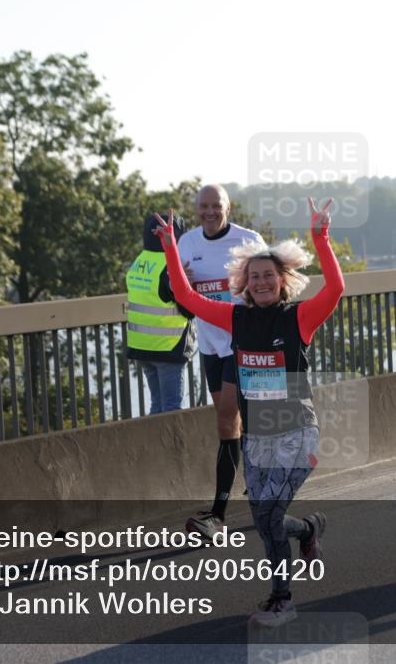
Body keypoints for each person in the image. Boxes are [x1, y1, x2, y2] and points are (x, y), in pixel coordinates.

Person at [155, 197, 344, 627]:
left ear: (282, 281)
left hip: (296, 432)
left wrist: (321, 237)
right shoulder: (234, 319)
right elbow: (184, 296)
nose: (261, 282)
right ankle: (308, 529)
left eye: (268, 276)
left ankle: (282, 600)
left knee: (270, 515)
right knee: (264, 518)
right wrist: (170, 247)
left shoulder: (299, 318)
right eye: (254, 276)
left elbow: (335, 290)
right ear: (243, 282)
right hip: (257, 436)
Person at [178, 184, 266, 537]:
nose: (210, 212)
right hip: (210, 344)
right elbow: (180, 300)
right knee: (231, 423)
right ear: (196, 209)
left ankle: (217, 514)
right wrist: (176, 285)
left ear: (228, 208)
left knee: (229, 415)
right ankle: (261, 490)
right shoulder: (187, 243)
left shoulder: (248, 240)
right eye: (204, 206)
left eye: (217, 206)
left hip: (242, 341)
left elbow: (270, 286)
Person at [125, 214, 195, 414]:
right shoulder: (169, 264)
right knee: (172, 409)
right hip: (167, 346)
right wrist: (188, 283)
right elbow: (189, 310)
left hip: (142, 346)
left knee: (156, 406)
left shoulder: (139, 261)